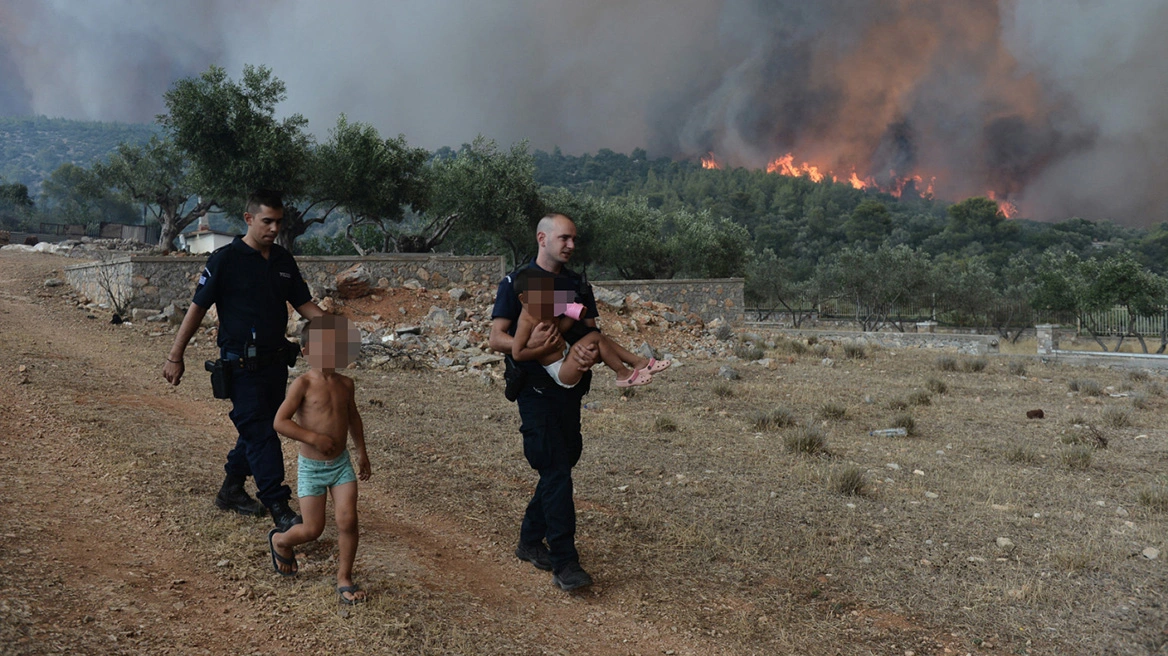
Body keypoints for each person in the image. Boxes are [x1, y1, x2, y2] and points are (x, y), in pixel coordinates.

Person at [490, 213, 635, 592]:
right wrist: (531, 347)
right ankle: (565, 563)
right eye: (564, 238)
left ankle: (528, 541)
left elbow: (591, 333)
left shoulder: (576, 286)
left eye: (574, 240)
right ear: (542, 238)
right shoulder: (517, 283)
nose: (571, 245)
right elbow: (497, 338)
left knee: (563, 465)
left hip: (570, 389)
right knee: (556, 470)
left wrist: (587, 355)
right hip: (535, 393)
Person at [163, 190, 324, 532]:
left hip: (275, 364)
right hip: (240, 365)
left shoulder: (282, 261)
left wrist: (335, 326)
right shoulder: (225, 260)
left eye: (279, 222)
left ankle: (231, 489)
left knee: (257, 429)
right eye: (267, 221)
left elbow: (304, 305)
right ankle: (278, 505)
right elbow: (197, 309)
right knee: (261, 430)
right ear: (249, 219)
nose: (274, 228)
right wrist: (175, 355)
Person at [268, 315, 371, 605]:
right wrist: (314, 438)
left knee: (348, 519)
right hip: (312, 468)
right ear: (306, 351)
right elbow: (280, 421)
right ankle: (281, 541)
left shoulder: (346, 384)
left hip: (340, 466)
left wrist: (362, 451)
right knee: (313, 530)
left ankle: (344, 578)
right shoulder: (302, 384)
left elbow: (353, 418)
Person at [510, 267, 667, 388]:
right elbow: (517, 353)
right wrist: (543, 350)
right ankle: (622, 373)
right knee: (595, 337)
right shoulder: (526, 322)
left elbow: (560, 330)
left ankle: (639, 362)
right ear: (524, 299)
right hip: (561, 370)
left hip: (568, 354)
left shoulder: (545, 311)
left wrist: (574, 316)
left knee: (599, 338)